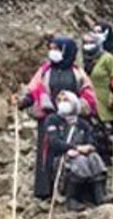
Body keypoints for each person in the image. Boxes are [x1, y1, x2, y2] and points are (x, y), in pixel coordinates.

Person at [18, 36, 98, 199]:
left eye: (56, 49)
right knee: (47, 152)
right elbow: (34, 90)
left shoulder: (77, 73)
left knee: (72, 151)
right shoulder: (45, 71)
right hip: (49, 116)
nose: (52, 52)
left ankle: (75, 191)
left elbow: (88, 95)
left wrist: (75, 106)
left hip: (71, 118)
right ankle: (45, 189)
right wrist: (23, 101)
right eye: (51, 48)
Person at [44, 90, 107, 211]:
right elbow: (54, 142)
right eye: (59, 100)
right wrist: (73, 148)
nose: (62, 103)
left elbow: (92, 140)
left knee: (94, 158)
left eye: (66, 100)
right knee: (79, 161)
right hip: (62, 157)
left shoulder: (82, 123)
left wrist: (88, 148)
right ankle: (72, 198)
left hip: (82, 154)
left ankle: (100, 195)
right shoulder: (52, 120)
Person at [83, 31, 113, 125]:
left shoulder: (108, 58)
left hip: (107, 104)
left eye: (91, 43)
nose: (88, 45)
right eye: (85, 43)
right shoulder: (84, 60)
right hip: (90, 106)